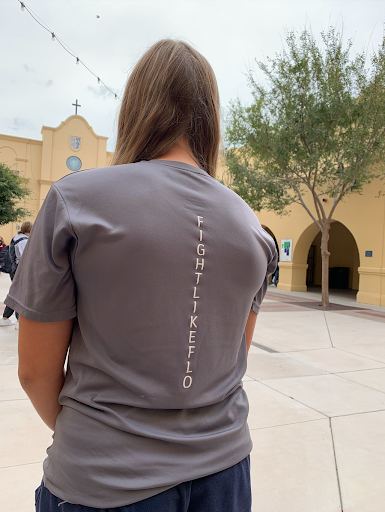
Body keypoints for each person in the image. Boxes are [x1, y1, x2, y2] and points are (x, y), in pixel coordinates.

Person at [5, 40, 277, 512]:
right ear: (211, 118)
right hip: (227, 475)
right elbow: (231, 359)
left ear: (135, 107)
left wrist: (98, 438)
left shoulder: (77, 201)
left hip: (104, 481)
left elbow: (34, 373)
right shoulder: (252, 227)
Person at [0, 221, 32, 329]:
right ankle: (18, 321)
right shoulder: (24, 240)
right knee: (20, 294)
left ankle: (6, 318)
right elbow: (25, 257)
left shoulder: (16, 237)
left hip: (14, 269)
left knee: (17, 293)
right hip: (21, 269)